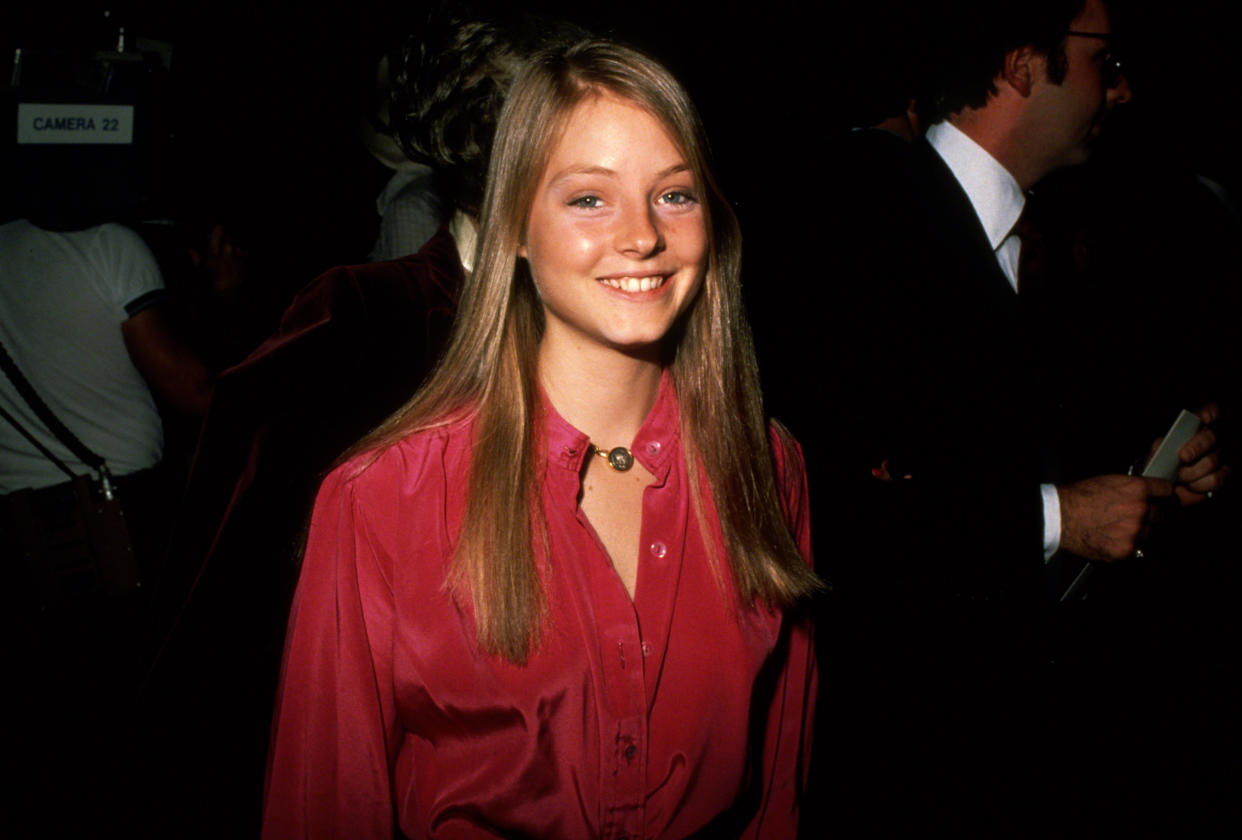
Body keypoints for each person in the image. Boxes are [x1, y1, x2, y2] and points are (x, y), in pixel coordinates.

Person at [262, 39, 820, 839]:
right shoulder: (381, 498)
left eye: (675, 195)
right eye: (589, 199)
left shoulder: (767, 467)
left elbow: (778, 799)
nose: (642, 237)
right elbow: (320, 811)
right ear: (514, 227)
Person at [788, 0, 1229, 829]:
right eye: (1106, 61)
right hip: (910, 757)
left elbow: (1016, 440)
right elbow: (835, 507)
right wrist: (1062, 516)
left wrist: (1157, 473)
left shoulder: (1057, 237)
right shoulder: (854, 221)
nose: (1122, 91)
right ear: (1025, 64)